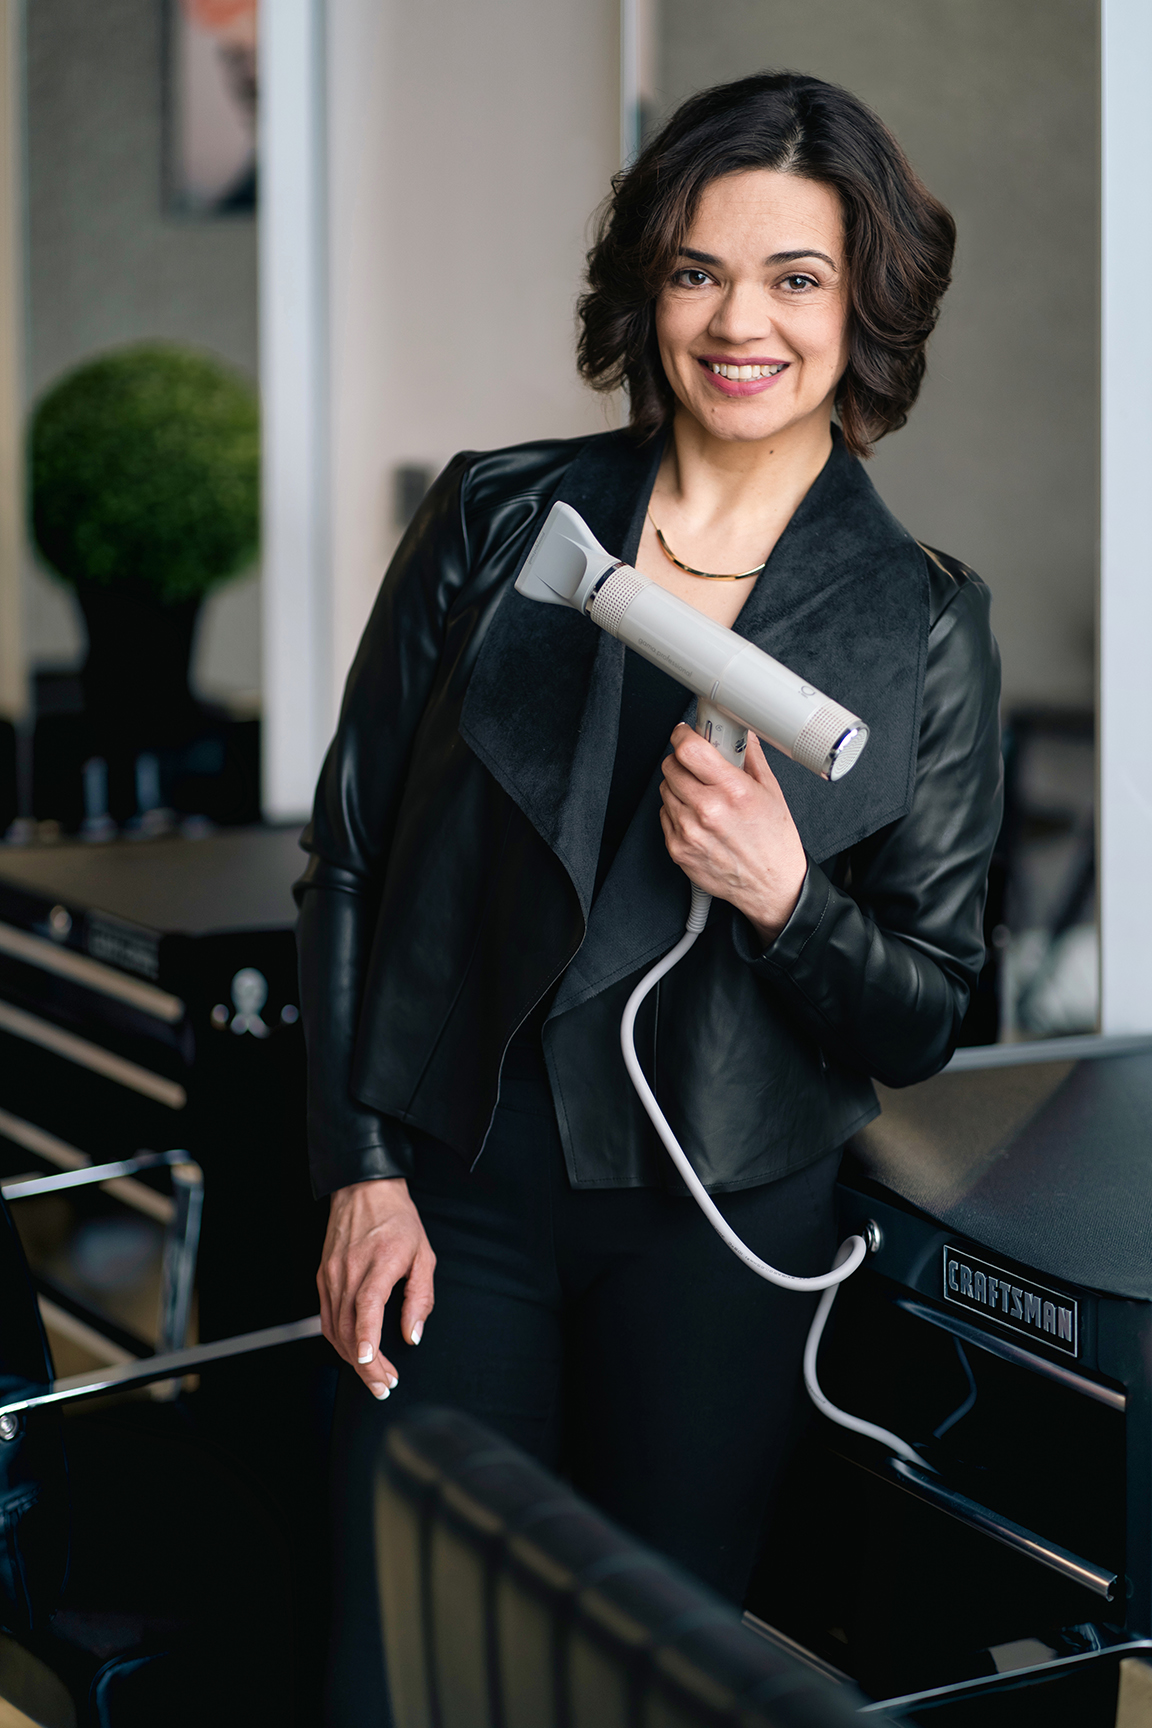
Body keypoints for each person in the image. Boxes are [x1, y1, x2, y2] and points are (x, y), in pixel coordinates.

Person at [296, 70, 1002, 1721]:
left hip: (720, 1229)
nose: (740, 322)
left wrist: (784, 898)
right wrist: (362, 1171)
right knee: (404, 1666)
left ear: (864, 305)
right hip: (456, 1195)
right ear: (648, 291)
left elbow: (927, 1011)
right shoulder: (496, 519)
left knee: (636, 1682)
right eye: (698, 271)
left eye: (795, 277)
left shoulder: (922, 625)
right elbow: (351, 859)